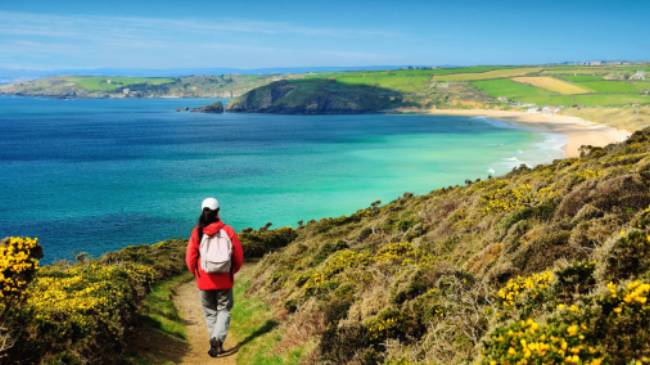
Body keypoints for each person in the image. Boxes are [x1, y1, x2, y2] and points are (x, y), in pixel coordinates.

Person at [185, 197, 244, 357]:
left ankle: (215, 340)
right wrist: (232, 271)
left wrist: (196, 273)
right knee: (224, 309)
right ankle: (217, 340)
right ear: (218, 211)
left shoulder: (197, 231)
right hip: (224, 279)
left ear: (202, 210)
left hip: (204, 280)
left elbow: (190, 257)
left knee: (210, 312)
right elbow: (238, 256)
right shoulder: (228, 230)